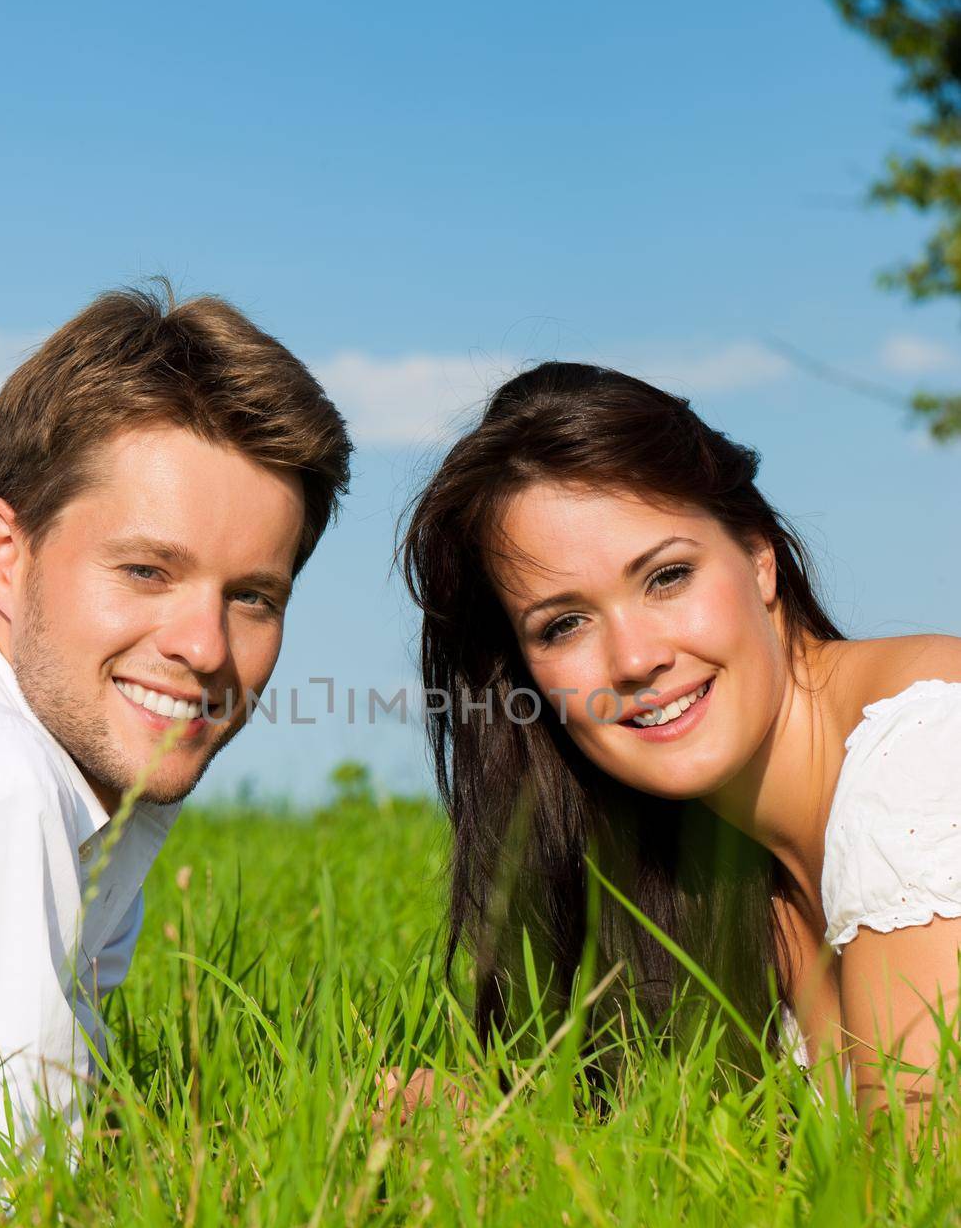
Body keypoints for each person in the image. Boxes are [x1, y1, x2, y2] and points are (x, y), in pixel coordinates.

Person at [399, 362, 961, 1134]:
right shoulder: (716, 883)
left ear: (758, 557)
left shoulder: (930, 746)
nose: (633, 659)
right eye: (563, 624)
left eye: (666, 577)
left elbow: (918, 1193)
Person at [0, 282, 351, 1178]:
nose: (203, 647)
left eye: (252, 597)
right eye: (146, 570)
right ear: (5, 553)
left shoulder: (76, 771)